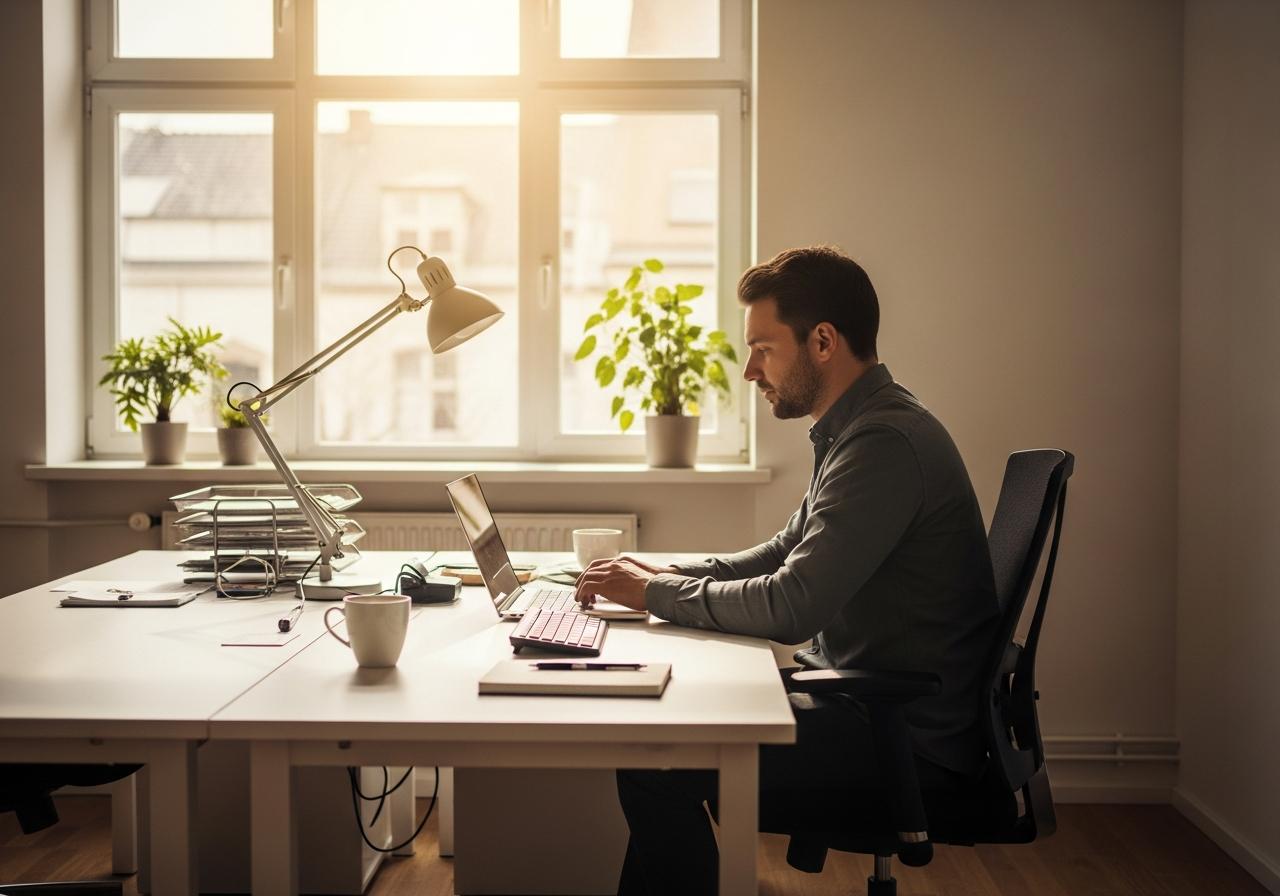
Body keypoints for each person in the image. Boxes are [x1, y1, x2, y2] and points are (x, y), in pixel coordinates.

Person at [574, 246, 999, 895]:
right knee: (664, 733)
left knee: (656, 762)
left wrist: (657, 591)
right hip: (861, 703)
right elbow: (782, 553)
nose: (748, 370)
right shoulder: (859, 429)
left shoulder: (884, 443)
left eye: (763, 348)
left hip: (899, 739)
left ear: (822, 341)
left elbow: (792, 606)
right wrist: (663, 571)